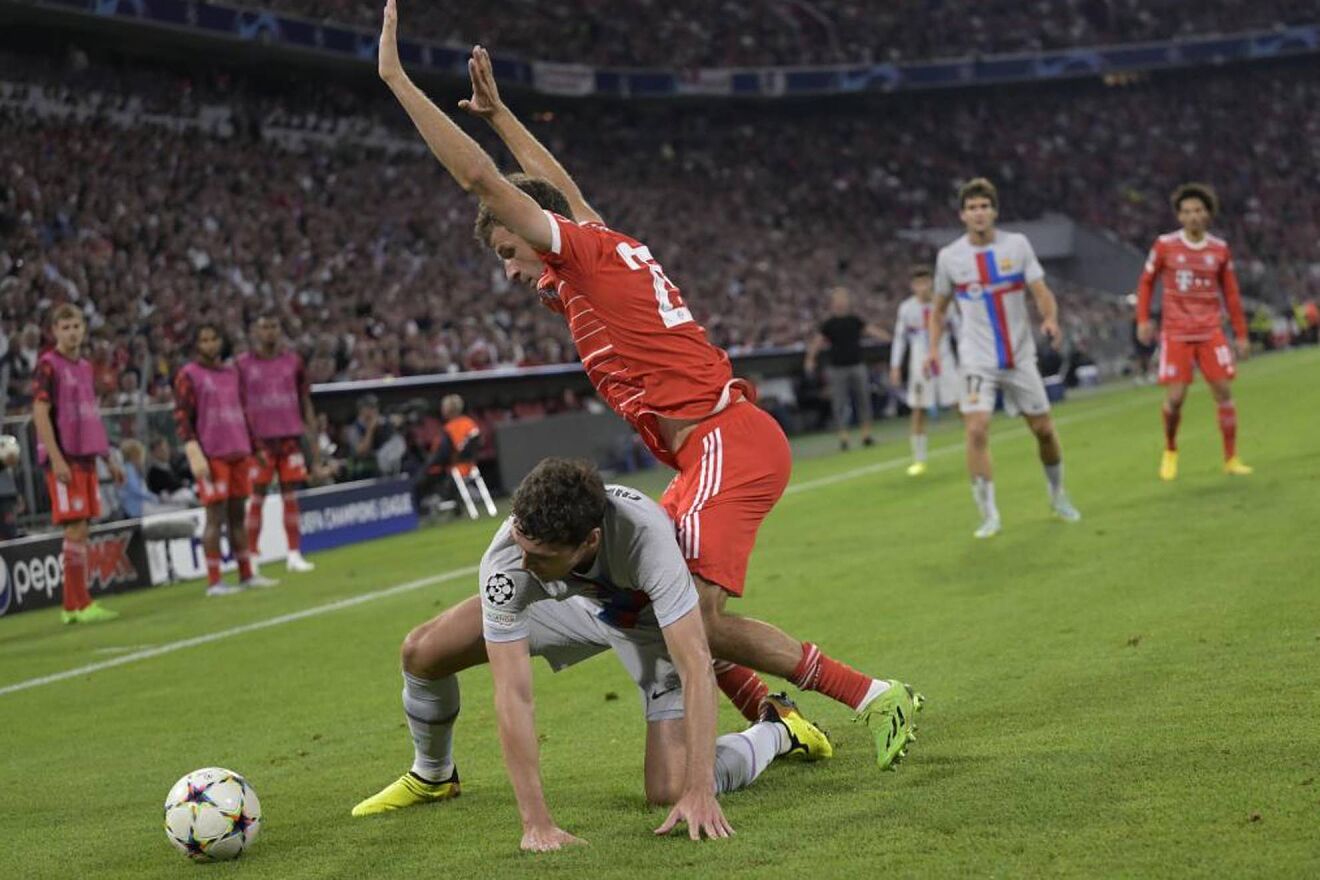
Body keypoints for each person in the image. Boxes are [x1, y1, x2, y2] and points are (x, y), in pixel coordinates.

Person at [377, 12, 919, 769]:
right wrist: (501, 117)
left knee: (688, 614)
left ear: (535, 230)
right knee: (641, 601)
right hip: (704, 453)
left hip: (726, 440)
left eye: (507, 249)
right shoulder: (598, 256)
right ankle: (774, 716)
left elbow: (483, 182)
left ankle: (873, 695)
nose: (509, 269)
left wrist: (398, 82)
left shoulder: (584, 257)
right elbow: (563, 189)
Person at [351, 458, 833, 849]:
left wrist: (700, 789)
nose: (523, 562)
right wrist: (536, 823)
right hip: (566, 606)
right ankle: (434, 774)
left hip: (646, 626)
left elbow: (695, 665)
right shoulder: (511, 558)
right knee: (422, 651)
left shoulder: (645, 537)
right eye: (521, 544)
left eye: (540, 556)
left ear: (589, 542)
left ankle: (777, 729)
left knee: (670, 788)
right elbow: (513, 695)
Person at [928, 178, 1082, 538]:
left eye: (984, 206)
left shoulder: (1017, 245)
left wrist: (1050, 318)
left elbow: (1040, 290)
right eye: (972, 208)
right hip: (976, 360)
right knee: (976, 428)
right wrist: (933, 348)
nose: (979, 213)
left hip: (1019, 356)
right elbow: (938, 310)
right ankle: (988, 514)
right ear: (962, 215)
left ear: (994, 211)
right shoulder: (949, 257)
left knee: (1044, 430)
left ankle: (1057, 494)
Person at [1136, 183, 1252, 481]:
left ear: (1208, 213)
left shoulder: (1219, 249)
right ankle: (1170, 449)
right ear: (1179, 216)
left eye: (1198, 210)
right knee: (1175, 398)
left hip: (1210, 330)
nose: (1193, 216)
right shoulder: (1165, 245)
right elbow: (1146, 282)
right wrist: (1143, 319)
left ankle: (1231, 458)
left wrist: (1241, 334)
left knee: (1223, 392)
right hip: (1176, 332)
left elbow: (1232, 294)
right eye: (1187, 212)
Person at [30, 304, 123, 624]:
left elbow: (90, 414)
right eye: (65, 327)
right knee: (75, 527)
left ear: (84, 329)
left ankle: (74, 605)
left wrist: (108, 458)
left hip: (86, 456)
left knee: (82, 528)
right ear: (54, 331)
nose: (71, 332)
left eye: (75, 326)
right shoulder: (48, 365)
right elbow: (40, 412)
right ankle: (78, 605)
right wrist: (55, 459)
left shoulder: (84, 366)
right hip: (65, 457)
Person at [174, 323, 277, 596]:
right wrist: (193, 451)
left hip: (238, 451)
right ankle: (214, 581)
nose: (210, 345)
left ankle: (246, 575)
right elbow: (182, 416)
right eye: (204, 340)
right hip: (212, 455)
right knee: (214, 517)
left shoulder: (232, 373)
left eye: (214, 339)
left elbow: (244, 411)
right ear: (196, 344)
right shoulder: (188, 374)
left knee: (237, 516)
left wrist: (256, 447)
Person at [237, 312, 321, 574]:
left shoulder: (293, 362)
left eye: (274, 326)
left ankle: (294, 554)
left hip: (289, 438)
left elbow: (305, 400)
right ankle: (252, 556)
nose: (270, 332)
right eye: (265, 327)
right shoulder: (242, 365)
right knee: (257, 497)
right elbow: (237, 403)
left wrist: (312, 437)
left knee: (290, 495)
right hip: (259, 441)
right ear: (256, 331)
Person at [890, 266, 959, 476]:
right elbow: (900, 338)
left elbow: (960, 331)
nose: (922, 287)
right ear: (912, 286)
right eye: (918, 283)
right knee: (918, 409)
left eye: (926, 282)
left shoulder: (945, 304)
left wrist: (967, 358)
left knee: (960, 404)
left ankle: (975, 447)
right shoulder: (906, 309)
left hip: (945, 360)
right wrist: (895, 366)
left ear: (932, 283)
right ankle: (919, 459)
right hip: (920, 365)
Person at [803, 286, 888, 450]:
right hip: (837, 368)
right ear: (833, 302)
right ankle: (844, 437)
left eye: (843, 298)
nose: (841, 302)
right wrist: (810, 358)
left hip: (857, 365)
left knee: (863, 400)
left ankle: (866, 435)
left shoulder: (855, 320)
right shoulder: (829, 324)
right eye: (838, 299)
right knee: (839, 403)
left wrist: (888, 337)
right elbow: (817, 342)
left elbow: (871, 330)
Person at [411, 393, 481, 514]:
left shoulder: (449, 428)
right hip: (471, 466)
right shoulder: (470, 423)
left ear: (449, 409)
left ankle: (427, 509)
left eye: (444, 407)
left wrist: (427, 465)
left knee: (420, 478)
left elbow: (443, 454)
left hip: (455, 469)